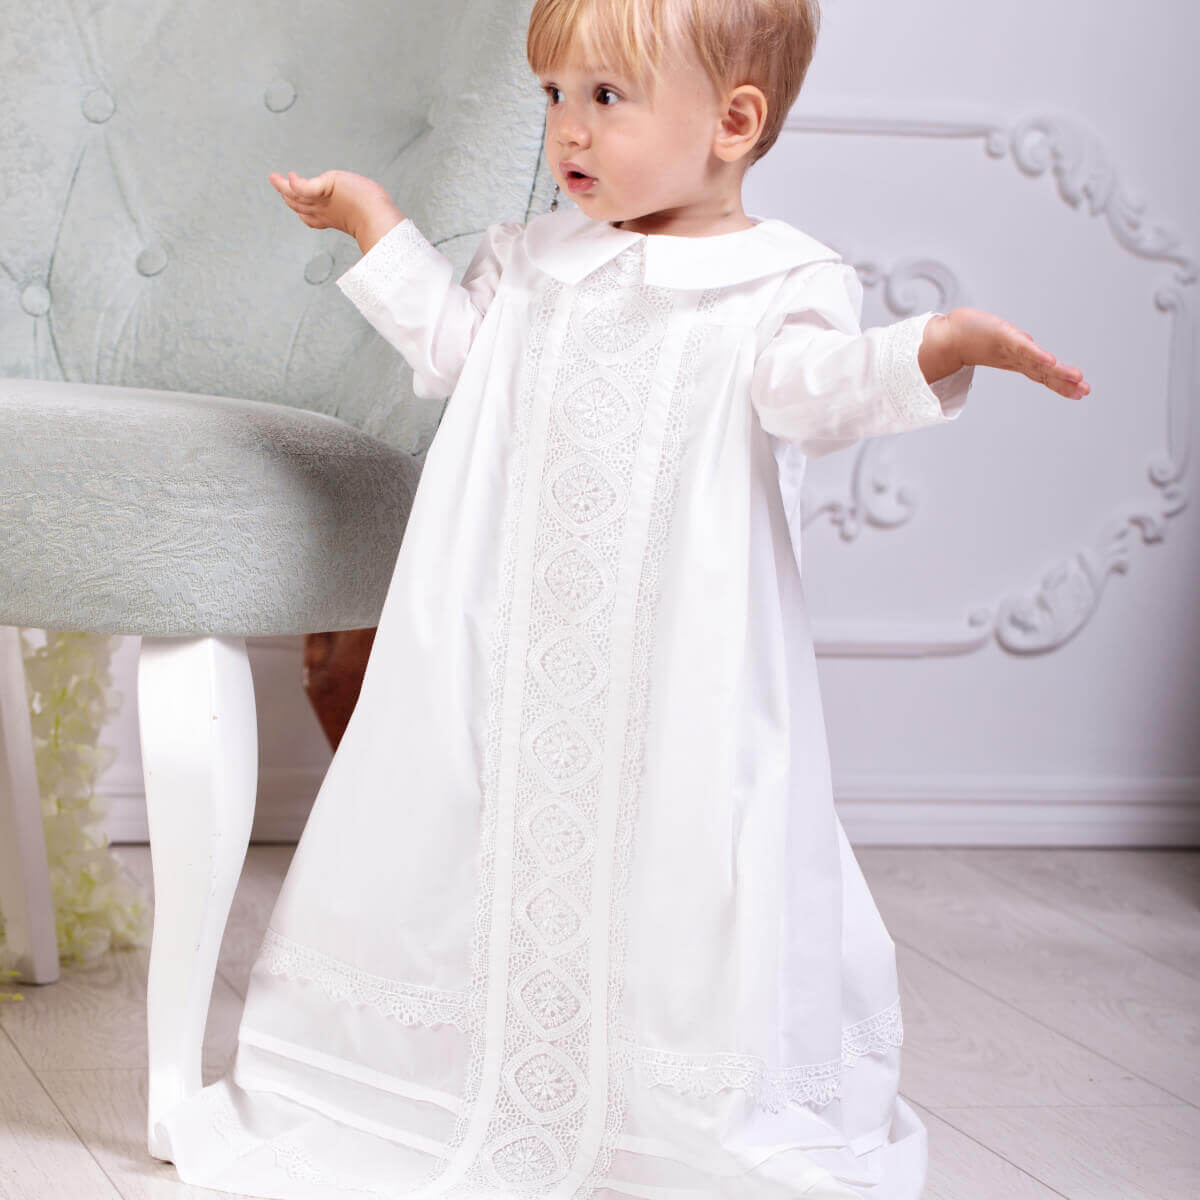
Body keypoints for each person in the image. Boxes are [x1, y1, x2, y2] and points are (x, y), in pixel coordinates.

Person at [155, 0, 1089, 1196]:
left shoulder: (777, 283)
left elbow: (814, 392)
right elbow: (451, 355)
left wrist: (935, 348)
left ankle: (649, 1104)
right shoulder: (534, 261)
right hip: (504, 635)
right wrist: (376, 228)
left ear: (733, 122)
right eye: (554, 96)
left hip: (671, 655)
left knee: (675, 865)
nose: (566, 132)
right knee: (468, 840)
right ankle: (421, 1075)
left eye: (605, 99)